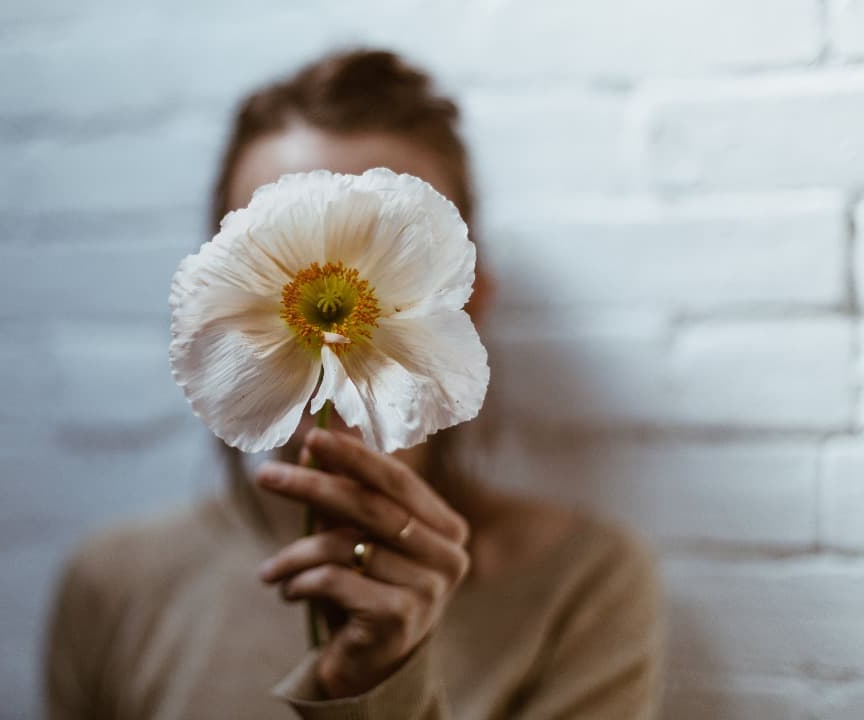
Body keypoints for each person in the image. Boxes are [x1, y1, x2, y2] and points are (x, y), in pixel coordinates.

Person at [43, 49, 665, 719]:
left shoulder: (581, 586)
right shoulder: (113, 582)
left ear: (469, 298)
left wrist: (381, 689)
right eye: (274, 241)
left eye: (385, 243)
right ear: (215, 296)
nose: (327, 297)